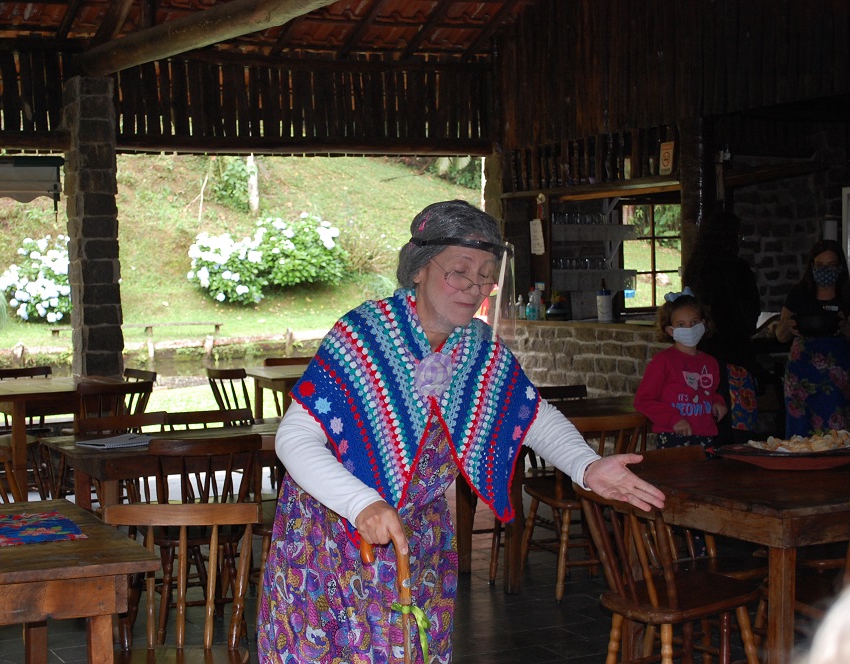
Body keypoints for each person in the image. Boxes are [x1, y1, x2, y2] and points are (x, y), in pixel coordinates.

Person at [257, 199, 665, 663]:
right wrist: (361, 503)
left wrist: (586, 466)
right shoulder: (363, 337)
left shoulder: (477, 349)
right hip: (331, 536)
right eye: (460, 271)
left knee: (416, 650)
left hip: (419, 537)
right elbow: (294, 437)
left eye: (486, 275)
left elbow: (531, 414)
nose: (475, 287)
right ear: (418, 268)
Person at [682, 209, 762, 444]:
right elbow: (750, 314)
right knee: (740, 431)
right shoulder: (738, 269)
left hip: (704, 358)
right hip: (735, 356)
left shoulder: (696, 268)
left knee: (710, 426)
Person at [634, 288, 728, 453]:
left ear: (703, 323)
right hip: (673, 435)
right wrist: (673, 419)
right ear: (670, 330)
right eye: (681, 325)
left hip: (705, 435)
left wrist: (718, 402)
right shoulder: (663, 361)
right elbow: (643, 400)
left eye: (694, 322)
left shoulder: (711, 363)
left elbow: (709, 392)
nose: (689, 328)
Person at [774, 239, 850, 436]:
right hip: (801, 372)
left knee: (835, 432)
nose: (825, 270)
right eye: (820, 265)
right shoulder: (799, 294)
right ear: (812, 266)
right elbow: (780, 336)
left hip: (836, 375)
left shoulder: (846, 296)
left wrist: (845, 327)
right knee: (799, 431)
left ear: (840, 267)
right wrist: (787, 326)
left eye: (831, 265)